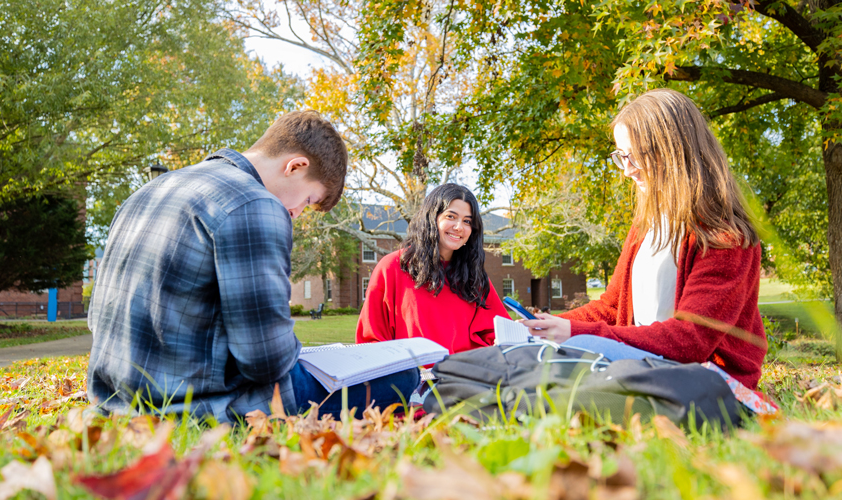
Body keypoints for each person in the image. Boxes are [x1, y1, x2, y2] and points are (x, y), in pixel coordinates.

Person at [87, 111, 419, 423]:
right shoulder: (255, 203)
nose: (297, 213)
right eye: (307, 201)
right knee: (403, 375)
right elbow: (265, 362)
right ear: (296, 166)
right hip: (195, 405)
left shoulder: (149, 191)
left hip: (114, 398)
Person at [523, 89, 767, 390]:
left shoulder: (723, 236)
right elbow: (611, 308)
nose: (627, 170)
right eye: (621, 156)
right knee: (540, 355)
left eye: (635, 156)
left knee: (574, 352)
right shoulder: (645, 225)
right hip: (642, 362)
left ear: (673, 150)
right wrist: (549, 325)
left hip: (708, 381)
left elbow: (690, 340)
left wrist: (573, 332)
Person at [356, 183, 510, 354]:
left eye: (467, 221)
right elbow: (371, 339)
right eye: (451, 216)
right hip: (412, 378)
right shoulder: (392, 267)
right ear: (431, 218)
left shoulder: (474, 275)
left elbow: (499, 334)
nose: (459, 227)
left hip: (465, 375)